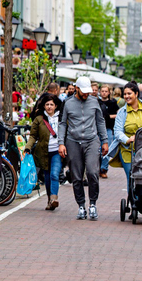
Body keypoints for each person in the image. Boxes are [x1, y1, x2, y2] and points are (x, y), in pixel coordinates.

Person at [57, 76, 108, 221]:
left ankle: (92, 204)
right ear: (76, 88)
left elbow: (100, 121)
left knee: (92, 172)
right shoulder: (67, 103)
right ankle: (81, 206)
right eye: (83, 92)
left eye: (88, 92)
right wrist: (61, 143)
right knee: (76, 176)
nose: (86, 94)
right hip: (73, 141)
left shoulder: (94, 101)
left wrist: (104, 140)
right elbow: (62, 124)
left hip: (91, 141)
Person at [25, 94, 63, 210]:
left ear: (56, 106)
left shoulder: (61, 118)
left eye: (52, 104)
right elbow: (33, 136)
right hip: (43, 153)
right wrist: (27, 148)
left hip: (57, 151)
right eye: (47, 104)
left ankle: (54, 198)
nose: (49, 107)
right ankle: (49, 200)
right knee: (47, 178)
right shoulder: (39, 119)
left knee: (54, 175)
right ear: (44, 106)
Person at [98, 85, 120, 179]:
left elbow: (118, 113)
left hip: (108, 128)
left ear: (109, 92)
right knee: (97, 150)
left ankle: (103, 169)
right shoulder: (97, 102)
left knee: (106, 150)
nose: (104, 93)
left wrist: (109, 117)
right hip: (97, 129)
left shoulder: (113, 102)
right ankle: (97, 168)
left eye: (105, 91)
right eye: (102, 91)